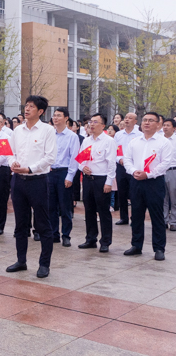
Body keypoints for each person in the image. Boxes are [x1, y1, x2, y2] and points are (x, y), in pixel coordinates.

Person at [6, 96, 57, 278]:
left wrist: (29, 169)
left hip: (38, 181)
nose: (27, 109)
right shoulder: (17, 130)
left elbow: (50, 158)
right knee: (20, 224)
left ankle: (44, 264)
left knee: (43, 224)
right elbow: (10, 153)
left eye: (31, 107)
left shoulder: (47, 131)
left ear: (40, 111)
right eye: (26, 106)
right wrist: (13, 162)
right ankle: (21, 261)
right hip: (18, 181)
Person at [124, 112, 173, 261]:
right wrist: (134, 171)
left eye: (151, 120)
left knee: (156, 216)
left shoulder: (164, 142)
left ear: (158, 124)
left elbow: (166, 163)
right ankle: (136, 245)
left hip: (154, 182)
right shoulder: (134, 141)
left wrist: (149, 174)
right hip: (136, 181)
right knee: (137, 215)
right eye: (144, 120)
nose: (147, 123)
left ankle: (159, 248)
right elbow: (127, 159)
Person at [76, 113, 116, 252]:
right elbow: (80, 160)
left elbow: (111, 163)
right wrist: (83, 168)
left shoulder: (108, 141)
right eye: (90, 122)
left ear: (103, 125)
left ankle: (105, 241)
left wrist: (109, 182)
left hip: (101, 179)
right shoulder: (87, 141)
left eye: (95, 122)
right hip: (88, 179)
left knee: (103, 211)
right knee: (89, 210)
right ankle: (91, 239)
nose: (91, 125)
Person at [48, 107, 80, 247]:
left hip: (64, 172)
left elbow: (74, 158)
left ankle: (66, 235)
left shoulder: (72, 136)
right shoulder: (50, 134)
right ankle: (54, 234)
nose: (55, 118)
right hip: (49, 172)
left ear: (66, 118)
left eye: (58, 115)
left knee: (65, 206)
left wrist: (70, 176)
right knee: (50, 206)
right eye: (54, 115)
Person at [114, 112, 140, 225]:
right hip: (121, 166)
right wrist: (119, 159)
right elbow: (115, 150)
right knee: (122, 193)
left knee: (134, 193)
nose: (127, 120)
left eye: (130, 118)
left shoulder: (139, 134)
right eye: (126, 118)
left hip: (134, 167)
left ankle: (135, 217)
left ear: (135, 121)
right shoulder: (119, 135)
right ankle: (123, 217)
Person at [163, 119, 176, 231]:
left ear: (174, 128)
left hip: (173, 170)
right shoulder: (159, 140)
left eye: (168, 125)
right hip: (160, 171)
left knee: (174, 197)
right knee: (163, 197)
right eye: (164, 125)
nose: (165, 127)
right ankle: (164, 220)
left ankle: (174, 222)